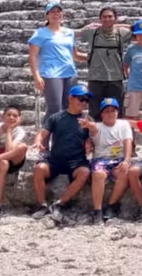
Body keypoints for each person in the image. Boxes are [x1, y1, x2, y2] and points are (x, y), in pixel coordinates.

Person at [30, 84, 93, 223]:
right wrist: (38, 141)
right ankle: (42, 205)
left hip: (76, 161)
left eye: (86, 100)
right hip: (56, 160)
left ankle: (59, 203)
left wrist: (90, 141)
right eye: (81, 99)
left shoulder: (88, 121)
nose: (84, 103)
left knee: (84, 172)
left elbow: (92, 139)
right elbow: (42, 133)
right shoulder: (56, 117)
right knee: (39, 169)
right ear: (70, 98)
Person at [28, 0, 81, 121]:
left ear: (62, 14)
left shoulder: (69, 32)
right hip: (51, 73)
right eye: (52, 11)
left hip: (69, 73)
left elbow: (75, 55)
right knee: (55, 108)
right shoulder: (40, 33)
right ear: (47, 15)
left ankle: (62, 138)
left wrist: (97, 56)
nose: (56, 13)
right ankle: (43, 139)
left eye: (58, 11)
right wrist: (36, 77)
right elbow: (32, 56)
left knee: (69, 107)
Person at [86, 97, 133, 225]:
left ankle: (111, 205)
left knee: (125, 172)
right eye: (106, 111)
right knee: (98, 174)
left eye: (113, 110)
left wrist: (127, 160)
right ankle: (97, 210)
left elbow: (128, 142)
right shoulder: (97, 126)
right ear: (101, 114)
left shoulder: (124, 124)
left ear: (117, 112)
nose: (110, 113)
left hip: (118, 159)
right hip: (101, 159)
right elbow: (93, 132)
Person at [79, 8, 130, 121]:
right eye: (104, 17)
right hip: (95, 78)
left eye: (110, 16)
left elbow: (135, 28)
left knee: (117, 110)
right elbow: (74, 34)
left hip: (115, 78)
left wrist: (116, 26)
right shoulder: (92, 32)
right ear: (100, 19)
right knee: (95, 111)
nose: (107, 19)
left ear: (115, 18)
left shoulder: (121, 33)